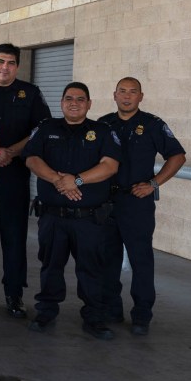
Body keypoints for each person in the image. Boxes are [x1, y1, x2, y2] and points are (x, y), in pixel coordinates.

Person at [22, 82, 121, 340]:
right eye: (69, 98)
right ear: (62, 103)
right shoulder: (46, 128)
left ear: (89, 104)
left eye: (80, 99)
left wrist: (75, 180)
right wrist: (58, 180)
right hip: (53, 215)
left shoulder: (102, 131)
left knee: (91, 269)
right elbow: (32, 158)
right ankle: (46, 311)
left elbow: (110, 166)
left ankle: (94, 317)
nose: (74, 103)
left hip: (89, 218)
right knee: (50, 265)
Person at [99, 77, 186, 335]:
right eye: (122, 92)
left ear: (141, 96)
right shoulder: (103, 124)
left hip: (136, 202)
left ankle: (141, 315)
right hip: (106, 201)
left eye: (132, 92)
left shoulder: (152, 125)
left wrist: (154, 184)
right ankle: (110, 309)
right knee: (107, 260)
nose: (127, 96)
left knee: (141, 260)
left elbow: (177, 156)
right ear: (114, 95)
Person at [0, 44, 52, 318]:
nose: (4, 67)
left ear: (17, 67)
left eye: (10, 63)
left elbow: (41, 128)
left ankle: (14, 294)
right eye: (0, 61)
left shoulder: (30, 93)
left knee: (14, 236)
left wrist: (11, 151)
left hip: (14, 174)